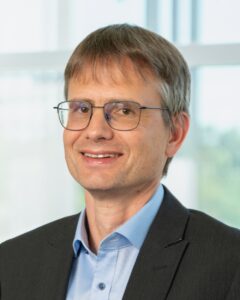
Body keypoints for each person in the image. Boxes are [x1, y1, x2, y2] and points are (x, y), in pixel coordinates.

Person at [0, 24, 240, 300]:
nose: (95, 130)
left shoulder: (231, 266)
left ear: (175, 133)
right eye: (82, 109)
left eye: (124, 110)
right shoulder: (11, 264)